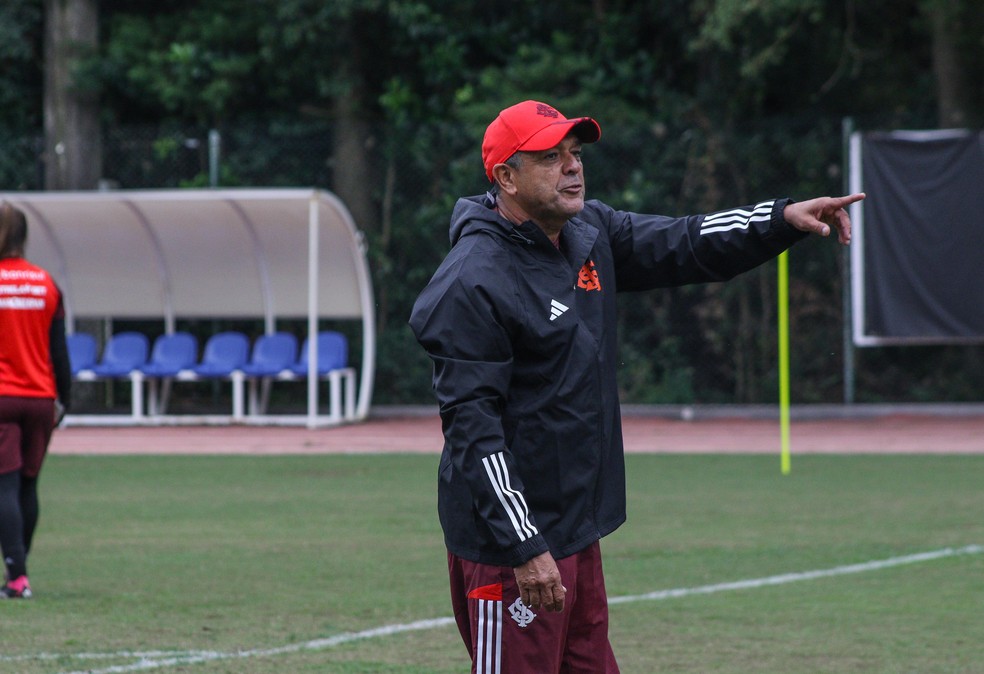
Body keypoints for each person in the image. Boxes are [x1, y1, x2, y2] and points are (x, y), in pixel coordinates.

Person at [409, 100, 864, 672]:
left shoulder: (586, 232)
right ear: (506, 177)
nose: (572, 167)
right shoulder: (472, 280)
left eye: (574, 154)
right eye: (550, 157)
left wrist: (780, 218)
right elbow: (474, 431)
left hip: (575, 530)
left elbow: (687, 241)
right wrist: (523, 546)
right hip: (513, 547)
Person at [0, 201, 72, 599]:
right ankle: (19, 570)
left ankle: (17, 578)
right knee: (28, 485)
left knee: (3, 487)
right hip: (40, 399)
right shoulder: (46, 284)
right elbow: (58, 351)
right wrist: (67, 399)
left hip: (2, 398)